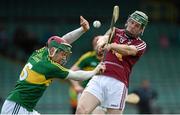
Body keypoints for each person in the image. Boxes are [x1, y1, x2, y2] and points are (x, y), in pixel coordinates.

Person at [1, 16, 106, 114]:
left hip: (25, 107)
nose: (63, 58)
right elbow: (76, 75)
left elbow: (64, 40)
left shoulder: (42, 52)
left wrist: (82, 29)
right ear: (53, 50)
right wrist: (94, 71)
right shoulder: (50, 67)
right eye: (62, 54)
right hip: (17, 107)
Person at [76, 11, 148, 114]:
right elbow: (103, 38)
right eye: (132, 22)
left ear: (141, 30)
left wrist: (112, 45)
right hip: (99, 77)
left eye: (137, 25)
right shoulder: (115, 31)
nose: (133, 26)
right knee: (81, 110)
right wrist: (100, 46)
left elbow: (129, 50)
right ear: (128, 22)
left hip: (118, 83)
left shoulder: (141, 44)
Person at [69, 36, 105, 114]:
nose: (99, 47)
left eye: (101, 44)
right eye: (96, 44)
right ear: (94, 46)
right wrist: (76, 86)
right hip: (87, 91)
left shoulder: (110, 58)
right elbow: (71, 71)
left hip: (103, 93)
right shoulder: (87, 57)